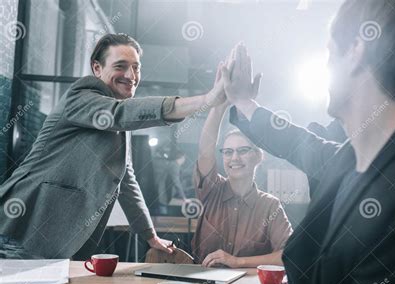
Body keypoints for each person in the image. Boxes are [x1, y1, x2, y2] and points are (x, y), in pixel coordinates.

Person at [224, 1, 395, 284]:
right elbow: (305, 146)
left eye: (330, 53)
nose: (327, 67)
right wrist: (246, 104)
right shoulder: (365, 156)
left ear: (355, 50)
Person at [0, 33, 227, 260]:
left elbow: (126, 182)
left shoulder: (119, 124)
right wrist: (206, 101)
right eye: (121, 66)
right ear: (97, 68)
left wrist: (150, 236)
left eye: (136, 67)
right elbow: (119, 114)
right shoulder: (82, 96)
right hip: (23, 225)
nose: (131, 75)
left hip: (57, 239)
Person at [192, 61, 293, 268]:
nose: (234, 158)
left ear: (258, 156)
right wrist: (219, 105)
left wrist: (238, 262)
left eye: (243, 150)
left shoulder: (270, 206)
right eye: (228, 152)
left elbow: (287, 255)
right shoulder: (212, 190)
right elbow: (205, 151)